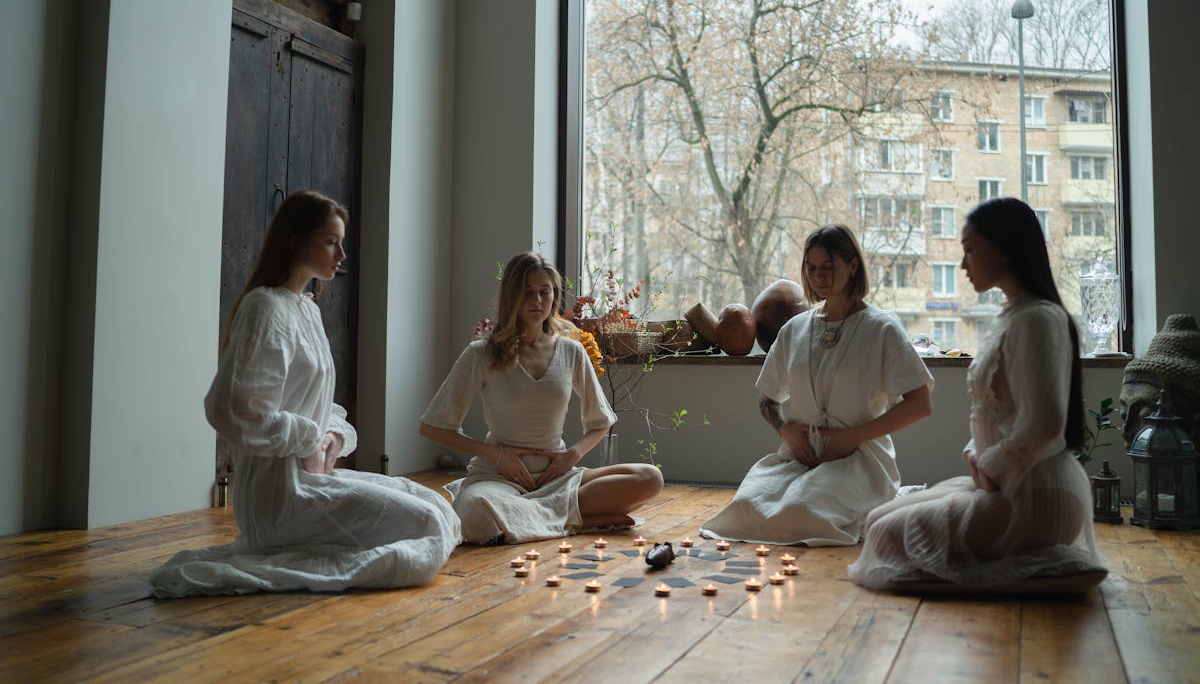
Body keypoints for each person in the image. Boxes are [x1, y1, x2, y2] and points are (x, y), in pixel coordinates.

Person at [151, 191, 460, 597]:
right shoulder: (264, 308)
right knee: (429, 527)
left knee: (439, 508)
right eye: (331, 241)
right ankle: (288, 552)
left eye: (341, 242)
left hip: (314, 476)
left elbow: (315, 402)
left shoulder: (306, 309)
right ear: (294, 240)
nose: (342, 254)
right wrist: (307, 438)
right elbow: (231, 408)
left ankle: (318, 547)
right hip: (280, 496)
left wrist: (331, 436)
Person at [848, 198, 1106, 590]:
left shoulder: (1038, 318)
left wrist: (990, 465)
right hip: (1002, 484)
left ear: (1003, 249)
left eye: (969, 250)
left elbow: (1045, 425)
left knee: (888, 535)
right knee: (875, 522)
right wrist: (976, 452)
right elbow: (999, 409)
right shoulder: (1013, 315)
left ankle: (1038, 567)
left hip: (1040, 496)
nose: (964, 265)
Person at [700, 225, 933, 546]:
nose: (819, 276)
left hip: (859, 460)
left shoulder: (882, 328)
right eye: (811, 269)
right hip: (800, 456)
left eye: (828, 267)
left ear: (853, 266)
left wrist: (851, 437)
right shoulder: (795, 329)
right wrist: (785, 431)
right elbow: (767, 399)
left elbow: (920, 404)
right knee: (746, 506)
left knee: (803, 510)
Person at [419, 251, 664, 544]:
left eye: (544, 293)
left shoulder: (571, 351)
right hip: (497, 480)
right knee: (474, 514)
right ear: (512, 296)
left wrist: (572, 455)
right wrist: (499, 456)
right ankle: (578, 521)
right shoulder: (482, 353)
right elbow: (432, 427)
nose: (537, 302)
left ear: (555, 295)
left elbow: (600, 422)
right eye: (527, 293)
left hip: (558, 479)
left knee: (650, 478)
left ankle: (537, 519)